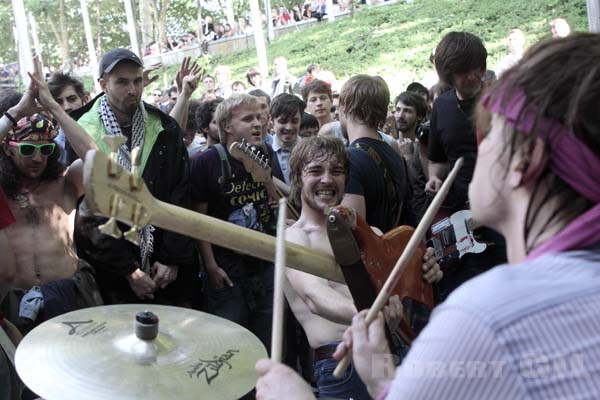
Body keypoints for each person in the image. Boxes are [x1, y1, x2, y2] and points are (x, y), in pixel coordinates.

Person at [256, 31, 600, 400]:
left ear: (523, 162)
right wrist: (383, 382)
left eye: (488, 135)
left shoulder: (483, 315)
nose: (475, 149)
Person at [268, 136, 442, 399]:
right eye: (315, 171)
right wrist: (372, 315)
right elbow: (314, 297)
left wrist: (426, 270)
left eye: (336, 171)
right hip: (342, 363)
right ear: (297, 178)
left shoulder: (369, 232)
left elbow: (401, 286)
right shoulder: (294, 238)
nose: (327, 179)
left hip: (391, 349)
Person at [72, 48, 196, 306]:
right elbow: (85, 213)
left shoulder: (163, 127)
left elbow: (181, 194)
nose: (133, 89)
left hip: (167, 268)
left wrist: (172, 258)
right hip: (113, 275)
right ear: (103, 84)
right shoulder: (81, 131)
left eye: (137, 80)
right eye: (122, 82)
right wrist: (129, 271)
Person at [190, 94, 276, 352]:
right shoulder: (206, 162)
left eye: (259, 117)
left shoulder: (265, 152)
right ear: (227, 126)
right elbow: (198, 221)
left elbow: (274, 202)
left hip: (263, 266)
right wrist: (210, 266)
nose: (257, 123)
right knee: (232, 344)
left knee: (268, 341)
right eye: (248, 119)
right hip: (227, 271)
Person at [424, 32, 506, 296]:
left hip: (504, 216)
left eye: (477, 69)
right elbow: (437, 160)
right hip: (464, 221)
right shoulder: (442, 107)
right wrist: (435, 178)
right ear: (448, 74)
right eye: (463, 71)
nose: (472, 76)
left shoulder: (501, 102)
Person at [341, 75, 415, 232]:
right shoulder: (395, 155)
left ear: (346, 107)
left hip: (373, 256)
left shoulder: (351, 158)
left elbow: (353, 233)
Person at [47, 72, 90, 164]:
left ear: (85, 99)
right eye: (58, 102)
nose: (67, 107)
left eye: (72, 99)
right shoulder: (50, 148)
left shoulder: (102, 131)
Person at [269, 93, 305, 184]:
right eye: (283, 121)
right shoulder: (265, 151)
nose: (289, 127)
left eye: (294, 121)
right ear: (271, 121)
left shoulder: (310, 150)